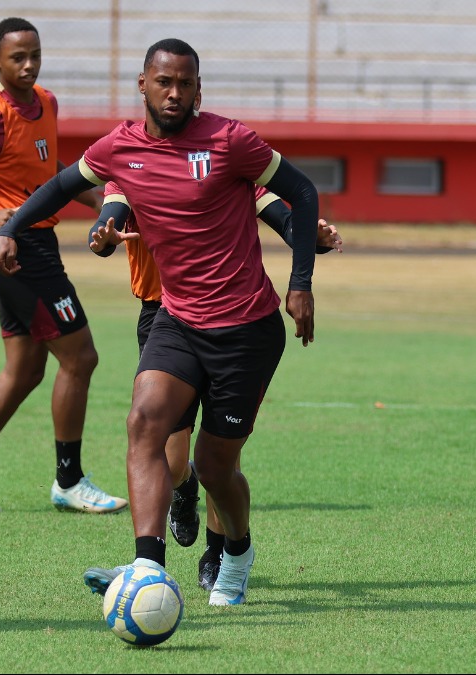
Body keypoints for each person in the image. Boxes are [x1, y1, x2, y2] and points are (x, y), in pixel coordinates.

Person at [0, 38, 320, 606]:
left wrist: (301, 284)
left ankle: (237, 550)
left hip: (246, 328)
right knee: (145, 422)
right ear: (142, 83)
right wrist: (8, 230)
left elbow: (302, 192)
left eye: (185, 83)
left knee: (215, 466)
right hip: (177, 319)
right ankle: (147, 566)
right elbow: (60, 187)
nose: (174, 93)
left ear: (198, 89)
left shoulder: (229, 140)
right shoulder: (120, 148)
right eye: (164, 82)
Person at [0, 17, 126, 515]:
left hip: (37, 246)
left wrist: (102, 201)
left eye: (34, 54)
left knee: (26, 369)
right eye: (17, 57)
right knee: (81, 357)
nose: (28, 65)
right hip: (15, 251)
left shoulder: (46, 103)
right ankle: (69, 482)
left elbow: (48, 168)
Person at [88, 180, 342, 590]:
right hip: (164, 319)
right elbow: (107, 218)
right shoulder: (133, 165)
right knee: (168, 459)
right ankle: (183, 486)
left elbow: (284, 217)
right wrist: (103, 237)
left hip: (230, 320)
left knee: (220, 456)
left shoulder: (224, 166)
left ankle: (218, 551)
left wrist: (314, 238)